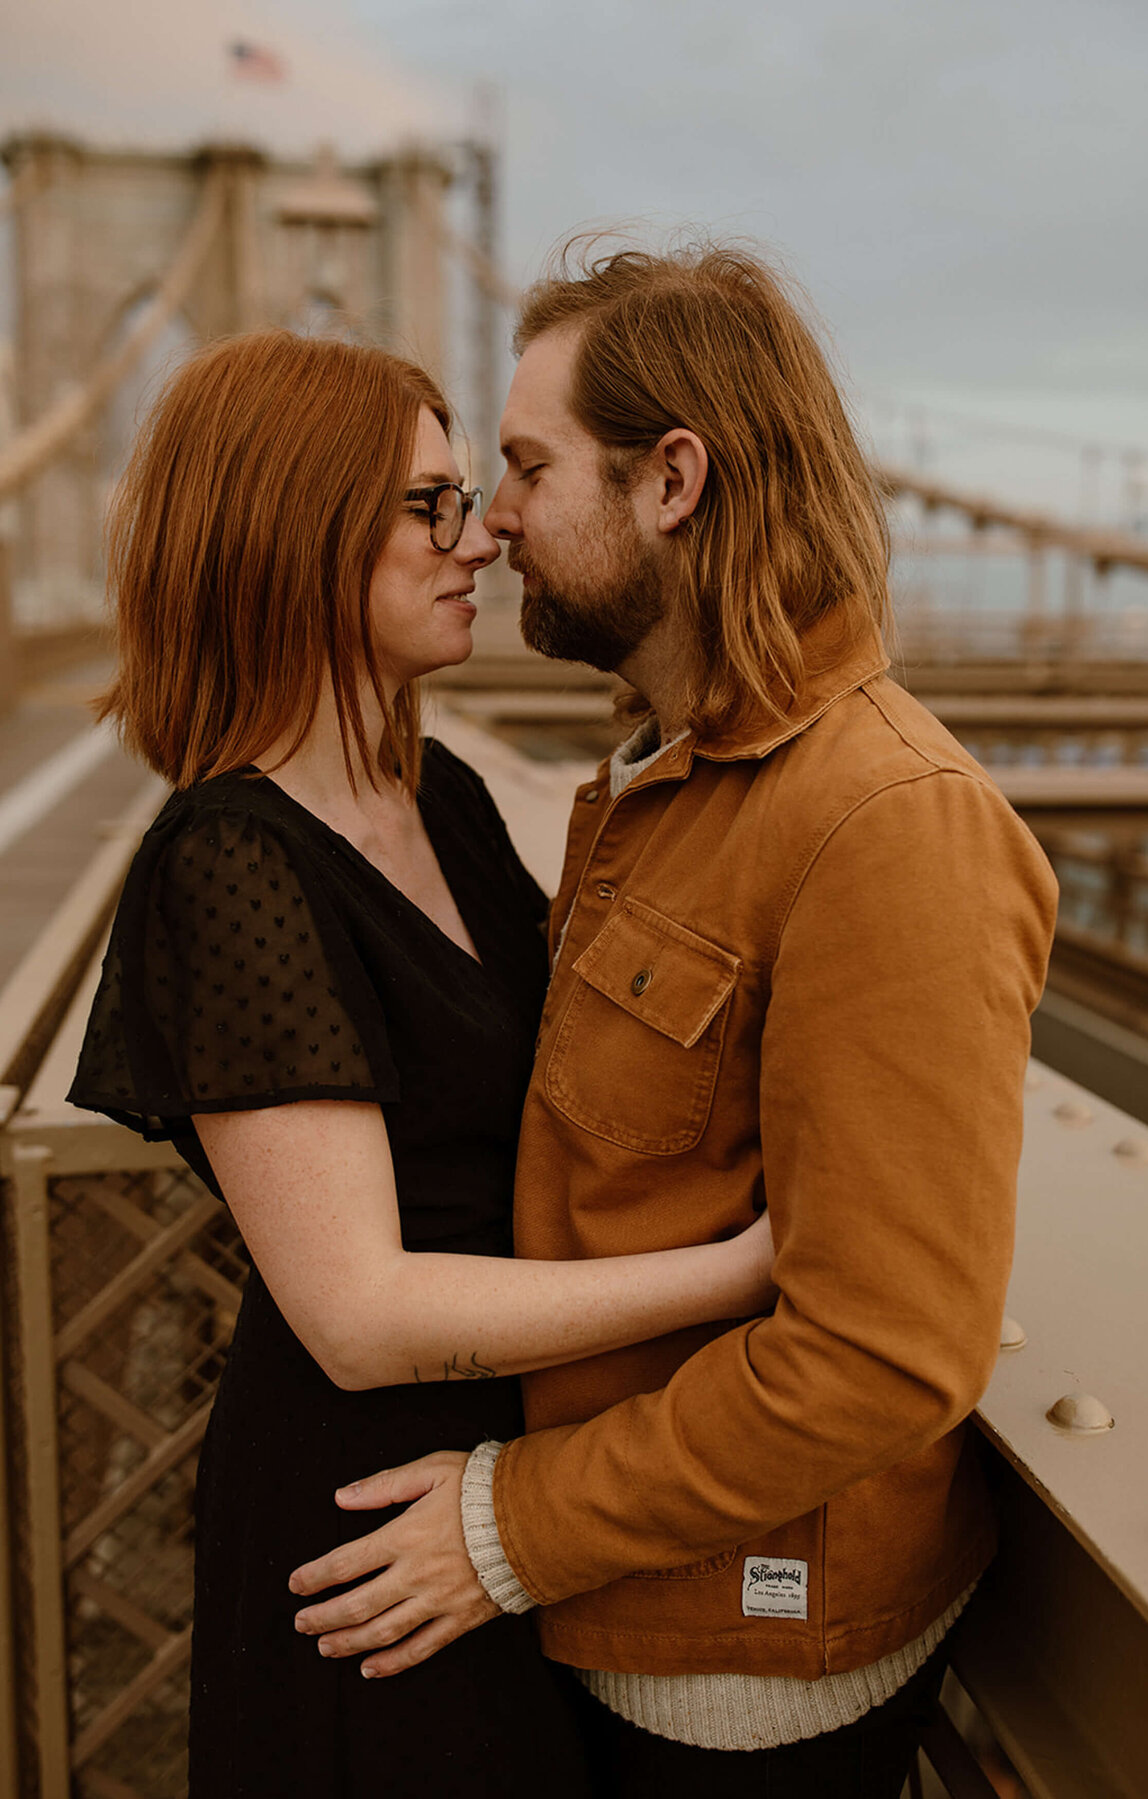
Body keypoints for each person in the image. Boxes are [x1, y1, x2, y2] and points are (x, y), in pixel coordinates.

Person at [289, 245, 1059, 1797]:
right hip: (625, 1617)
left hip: (744, 1674)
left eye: (523, 466)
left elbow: (883, 1356)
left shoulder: (884, 825)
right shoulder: (660, 783)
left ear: (674, 481)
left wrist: (513, 1528)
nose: (490, 522)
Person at [65, 328, 779, 1798]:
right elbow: (359, 1315)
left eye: (477, 495)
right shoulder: (232, 866)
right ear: (299, 532)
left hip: (520, 1487)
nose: (483, 539)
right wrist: (750, 1271)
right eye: (433, 506)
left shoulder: (432, 790)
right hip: (375, 1525)